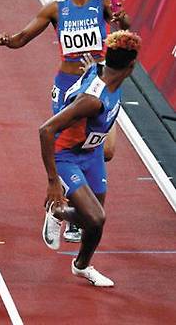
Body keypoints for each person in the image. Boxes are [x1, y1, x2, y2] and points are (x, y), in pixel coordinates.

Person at [0, 0, 131, 242]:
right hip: (69, 88)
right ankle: (63, 205)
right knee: (69, 145)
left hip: (98, 85)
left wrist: (123, 20)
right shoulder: (56, 8)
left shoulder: (103, 5)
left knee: (105, 150)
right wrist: (10, 41)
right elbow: (24, 36)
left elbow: (125, 33)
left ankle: (71, 203)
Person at [40, 30, 141, 287]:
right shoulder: (91, 101)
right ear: (132, 66)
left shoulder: (105, 71)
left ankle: (81, 266)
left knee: (94, 219)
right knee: (96, 219)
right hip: (66, 156)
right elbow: (46, 130)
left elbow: (94, 67)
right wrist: (53, 182)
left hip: (92, 153)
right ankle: (57, 210)